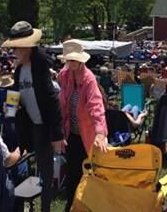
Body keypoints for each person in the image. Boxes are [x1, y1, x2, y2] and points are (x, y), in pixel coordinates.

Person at [2, 21, 64, 212]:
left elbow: (52, 100)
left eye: (17, 47)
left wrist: (57, 135)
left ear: (28, 46)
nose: (14, 51)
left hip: (45, 126)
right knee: (29, 169)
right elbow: (16, 94)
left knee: (45, 173)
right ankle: (24, 204)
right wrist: (10, 105)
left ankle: (45, 208)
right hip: (31, 126)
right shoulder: (19, 69)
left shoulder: (40, 65)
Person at [57, 40, 108, 212]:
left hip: (89, 135)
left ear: (81, 60)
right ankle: (72, 206)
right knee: (73, 174)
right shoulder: (63, 75)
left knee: (93, 175)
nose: (70, 64)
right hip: (71, 133)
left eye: (73, 60)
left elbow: (96, 107)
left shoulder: (89, 80)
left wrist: (100, 133)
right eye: (68, 60)